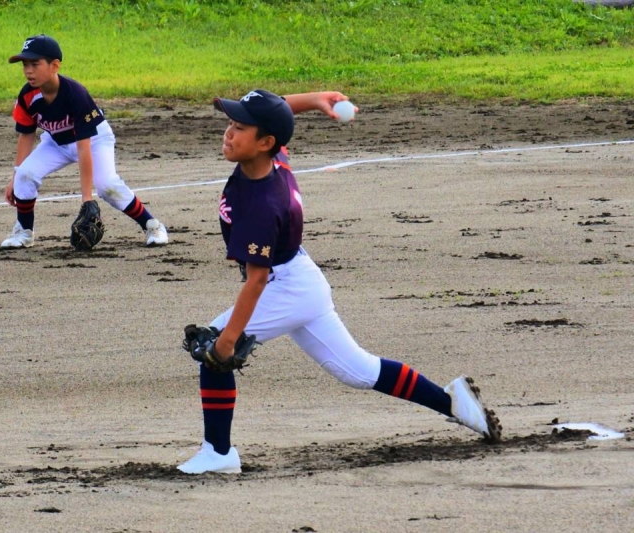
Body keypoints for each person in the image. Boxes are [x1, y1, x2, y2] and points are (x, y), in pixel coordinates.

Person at [177, 89, 502, 475]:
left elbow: (257, 280)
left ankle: (218, 453)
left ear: (265, 142)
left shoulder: (262, 206)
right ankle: (452, 403)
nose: (229, 133)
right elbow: (276, 111)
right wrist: (315, 99)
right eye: (230, 123)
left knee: (213, 349)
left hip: (284, 287)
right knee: (359, 371)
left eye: (240, 128)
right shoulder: (270, 160)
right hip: (300, 280)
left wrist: (228, 341)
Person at [1, 34, 168, 248]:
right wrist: (15, 177)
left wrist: (87, 198)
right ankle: (24, 233)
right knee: (25, 174)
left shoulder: (76, 94)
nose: (28, 70)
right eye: (25, 64)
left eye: (35, 64)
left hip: (94, 139)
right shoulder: (27, 96)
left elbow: (83, 147)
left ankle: (152, 226)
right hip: (55, 142)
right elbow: (26, 135)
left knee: (107, 186)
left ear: (55, 65)